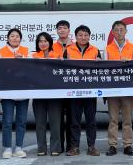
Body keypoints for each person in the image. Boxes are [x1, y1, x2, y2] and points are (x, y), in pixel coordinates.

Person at [63, 25, 101, 157]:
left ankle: (92, 147)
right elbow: (63, 70)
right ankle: (74, 147)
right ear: (76, 36)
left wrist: (99, 63)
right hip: (74, 92)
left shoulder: (95, 50)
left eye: (85, 35)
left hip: (91, 92)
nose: (83, 37)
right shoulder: (68, 50)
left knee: (91, 121)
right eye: (80, 35)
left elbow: (101, 71)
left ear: (89, 36)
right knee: (74, 121)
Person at [105, 21, 133, 156]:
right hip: (113, 89)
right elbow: (105, 69)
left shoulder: (132, 47)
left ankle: (127, 145)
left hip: (128, 88)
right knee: (113, 119)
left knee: (127, 119)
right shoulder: (107, 48)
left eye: (121, 30)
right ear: (112, 32)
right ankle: (112, 145)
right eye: (116, 30)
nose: (119, 32)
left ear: (126, 31)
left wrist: (128, 64)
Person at [0, 28, 29, 159]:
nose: (15, 38)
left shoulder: (26, 51)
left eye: (17, 36)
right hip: (7, 93)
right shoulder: (1, 52)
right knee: (7, 122)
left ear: (20, 39)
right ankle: (8, 148)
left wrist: (24, 61)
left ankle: (19, 147)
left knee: (21, 121)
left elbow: (32, 71)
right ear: (8, 38)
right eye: (12, 36)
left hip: (23, 92)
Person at [32, 32, 62, 156]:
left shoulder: (57, 55)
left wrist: (60, 62)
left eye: (45, 41)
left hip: (54, 94)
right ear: (37, 43)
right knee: (40, 122)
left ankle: (55, 148)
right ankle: (41, 147)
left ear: (50, 42)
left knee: (55, 122)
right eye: (40, 41)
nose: (43, 43)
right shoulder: (32, 56)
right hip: (38, 95)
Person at [52, 20, 73, 153]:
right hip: (56, 88)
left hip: (71, 88)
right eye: (60, 28)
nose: (62, 30)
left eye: (64, 28)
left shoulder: (75, 46)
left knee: (71, 119)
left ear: (69, 30)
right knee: (57, 120)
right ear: (57, 31)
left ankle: (71, 147)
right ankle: (58, 146)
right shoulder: (52, 46)